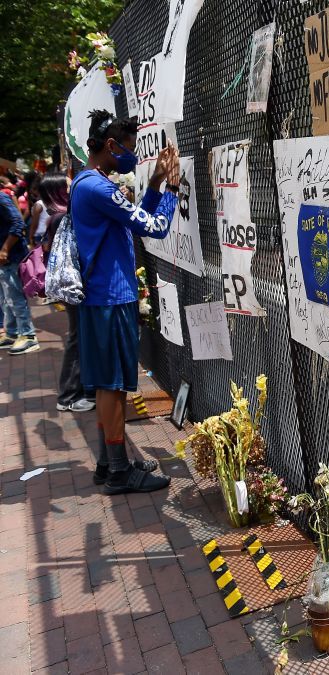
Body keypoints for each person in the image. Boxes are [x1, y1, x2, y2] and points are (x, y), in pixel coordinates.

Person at [73, 109, 179, 494]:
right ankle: (119, 471)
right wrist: (173, 190)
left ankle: (109, 462)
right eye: (129, 149)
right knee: (112, 385)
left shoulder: (90, 183)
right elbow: (155, 226)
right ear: (112, 146)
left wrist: (153, 185)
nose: (132, 156)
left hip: (106, 296)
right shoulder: (96, 188)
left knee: (109, 384)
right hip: (109, 297)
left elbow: (135, 218)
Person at [38, 173, 94, 412]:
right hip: (73, 287)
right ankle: (70, 394)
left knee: (76, 337)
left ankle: (72, 392)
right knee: (77, 338)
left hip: (68, 287)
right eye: (68, 187)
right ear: (57, 192)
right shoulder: (62, 217)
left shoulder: (55, 216)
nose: (73, 190)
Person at [0, 189, 38, 354]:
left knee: (14, 297)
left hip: (11, 257)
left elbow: (18, 223)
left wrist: (5, 249)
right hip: (4, 259)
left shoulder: (1, 198)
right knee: (5, 298)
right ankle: (12, 332)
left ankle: (28, 336)